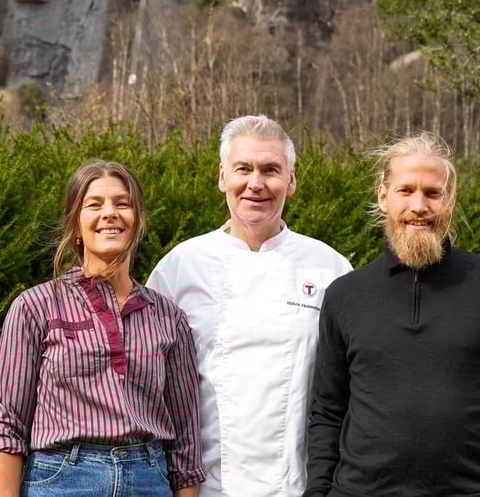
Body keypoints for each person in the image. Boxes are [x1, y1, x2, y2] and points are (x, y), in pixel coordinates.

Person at [305, 133, 480, 497]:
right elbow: (326, 411)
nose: (419, 206)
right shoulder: (346, 295)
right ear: (382, 195)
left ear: (450, 201)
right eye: (406, 191)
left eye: (433, 193)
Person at [146, 115, 353, 496]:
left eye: (271, 170)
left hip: (298, 486)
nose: (255, 183)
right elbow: (148, 388)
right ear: (222, 177)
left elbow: (349, 391)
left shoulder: (331, 269)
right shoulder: (178, 268)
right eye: (243, 169)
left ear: (290, 182)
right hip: (203, 488)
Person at [0, 160, 205, 497]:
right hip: (60, 479)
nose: (110, 214)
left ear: (138, 221)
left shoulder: (169, 318)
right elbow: (7, 425)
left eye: (122, 203)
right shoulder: (34, 307)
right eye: (94, 204)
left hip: (148, 480)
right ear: (75, 224)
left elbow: (186, 439)